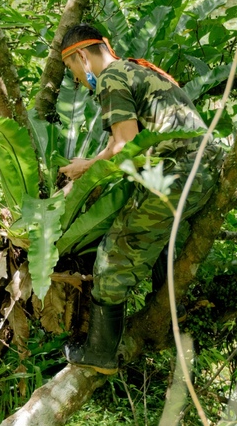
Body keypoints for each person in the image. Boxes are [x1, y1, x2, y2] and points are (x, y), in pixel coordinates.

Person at [56, 23, 221, 374]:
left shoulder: (112, 79)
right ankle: (168, 314)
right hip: (204, 172)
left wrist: (85, 170)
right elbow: (122, 143)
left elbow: (124, 145)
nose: (76, 79)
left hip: (176, 177)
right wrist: (92, 174)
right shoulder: (136, 69)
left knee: (114, 254)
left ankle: (99, 354)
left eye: (72, 68)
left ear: (82, 56)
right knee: (158, 236)